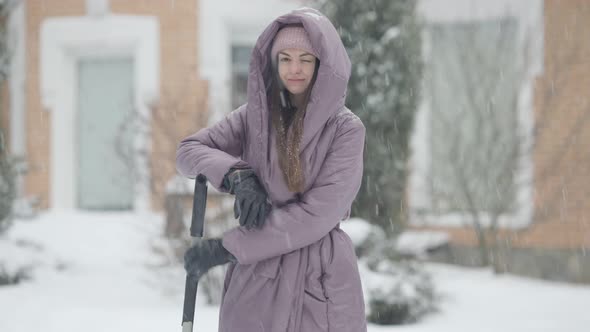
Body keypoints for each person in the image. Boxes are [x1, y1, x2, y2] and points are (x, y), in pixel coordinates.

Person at [176, 7, 367, 332]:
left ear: (322, 64)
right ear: (273, 63)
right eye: (285, 58)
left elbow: (316, 216)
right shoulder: (255, 117)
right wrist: (237, 175)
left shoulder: (345, 129)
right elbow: (189, 151)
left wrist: (228, 247)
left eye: (305, 59)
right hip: (257, 277)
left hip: (318, 279)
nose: (295, 69)